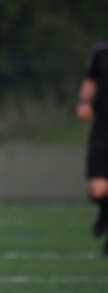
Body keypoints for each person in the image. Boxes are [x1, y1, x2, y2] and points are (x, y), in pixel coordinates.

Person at [77, 40, 108, 256]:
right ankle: (105, 213)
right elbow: (90, 80)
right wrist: (83, 101)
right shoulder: (100, 52)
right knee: (98, 190)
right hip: (103, 126)